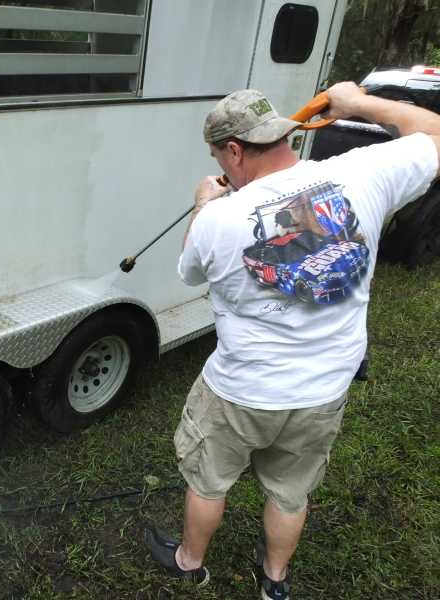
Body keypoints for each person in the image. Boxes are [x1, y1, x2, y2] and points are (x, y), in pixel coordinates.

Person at [143, 83, 440, 600]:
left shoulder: (218, 220)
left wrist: (202, 203)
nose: (221, 164)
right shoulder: (360, 172)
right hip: (323, 389)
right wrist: (361, 104)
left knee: (208, 482)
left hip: (240, 390)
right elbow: (434, 133)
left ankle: (190, 563)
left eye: (219, 155)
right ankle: (274, 580)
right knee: (290, 493)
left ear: (233, 151)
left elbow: (190, 272)